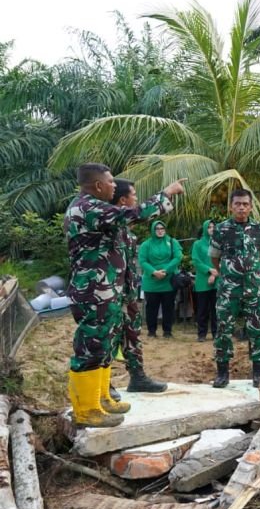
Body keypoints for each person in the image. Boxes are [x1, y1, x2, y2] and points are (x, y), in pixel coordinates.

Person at [64, 162, 184, 428]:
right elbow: (132, 214)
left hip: (106, 290)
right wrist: (166, 194)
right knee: (90, 347)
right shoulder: (87, 207)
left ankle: (101, 399)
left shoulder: (94, 207)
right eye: (109, 181)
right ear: (97, 185)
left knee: (104, 345)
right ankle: (85, 409)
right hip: (93, 291)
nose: (113, 185)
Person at [109, 179, 167, 393]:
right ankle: (105, 384)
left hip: (128, 292)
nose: (136, 199)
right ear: (123, 200)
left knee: (132, 334)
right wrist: (166, 193)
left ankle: (138, 377)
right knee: (109, 337)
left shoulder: (125, 229)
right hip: (111, 293)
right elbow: (140, 213)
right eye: (133, 195)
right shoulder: (109, 224)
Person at [210, 189, 260, 388]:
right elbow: (215, 257)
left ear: (251, 206)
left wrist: (251, 273)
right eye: (237, 204)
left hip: (253, 290)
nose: (241, 207)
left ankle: (258, 373)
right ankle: (222, 374)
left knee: (256, 330)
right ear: (231, 206)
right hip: (229, 290)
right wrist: (228, 275)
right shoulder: (221, 229)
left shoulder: (259, 229)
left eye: (245, 204)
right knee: (223, 329)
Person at [139, 221, 183, 338]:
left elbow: (178, 257)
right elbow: (142, 261)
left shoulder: (172, 242)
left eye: (162, 228)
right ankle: (151, 331)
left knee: (168, 307)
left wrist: (166, 270)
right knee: (151, 308)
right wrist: (154, 272)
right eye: (157, 228)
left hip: (168, 280)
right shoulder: (146, 244)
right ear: (153, 230)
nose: (160, 230)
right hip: (151, 281)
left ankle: (167, 331)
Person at [192, 220, 218, 342]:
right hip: (203, 280)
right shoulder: (198, 244)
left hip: (217, 280)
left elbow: (222, 259)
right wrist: (209, 271)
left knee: (216, 309)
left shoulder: (219, 243)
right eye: (209, 227)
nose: (212, 229)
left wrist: (215, 273)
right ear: (205, 229)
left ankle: (216, 333)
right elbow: (196, 261)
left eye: (214, 227)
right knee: (202, 309)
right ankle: (202, 334)